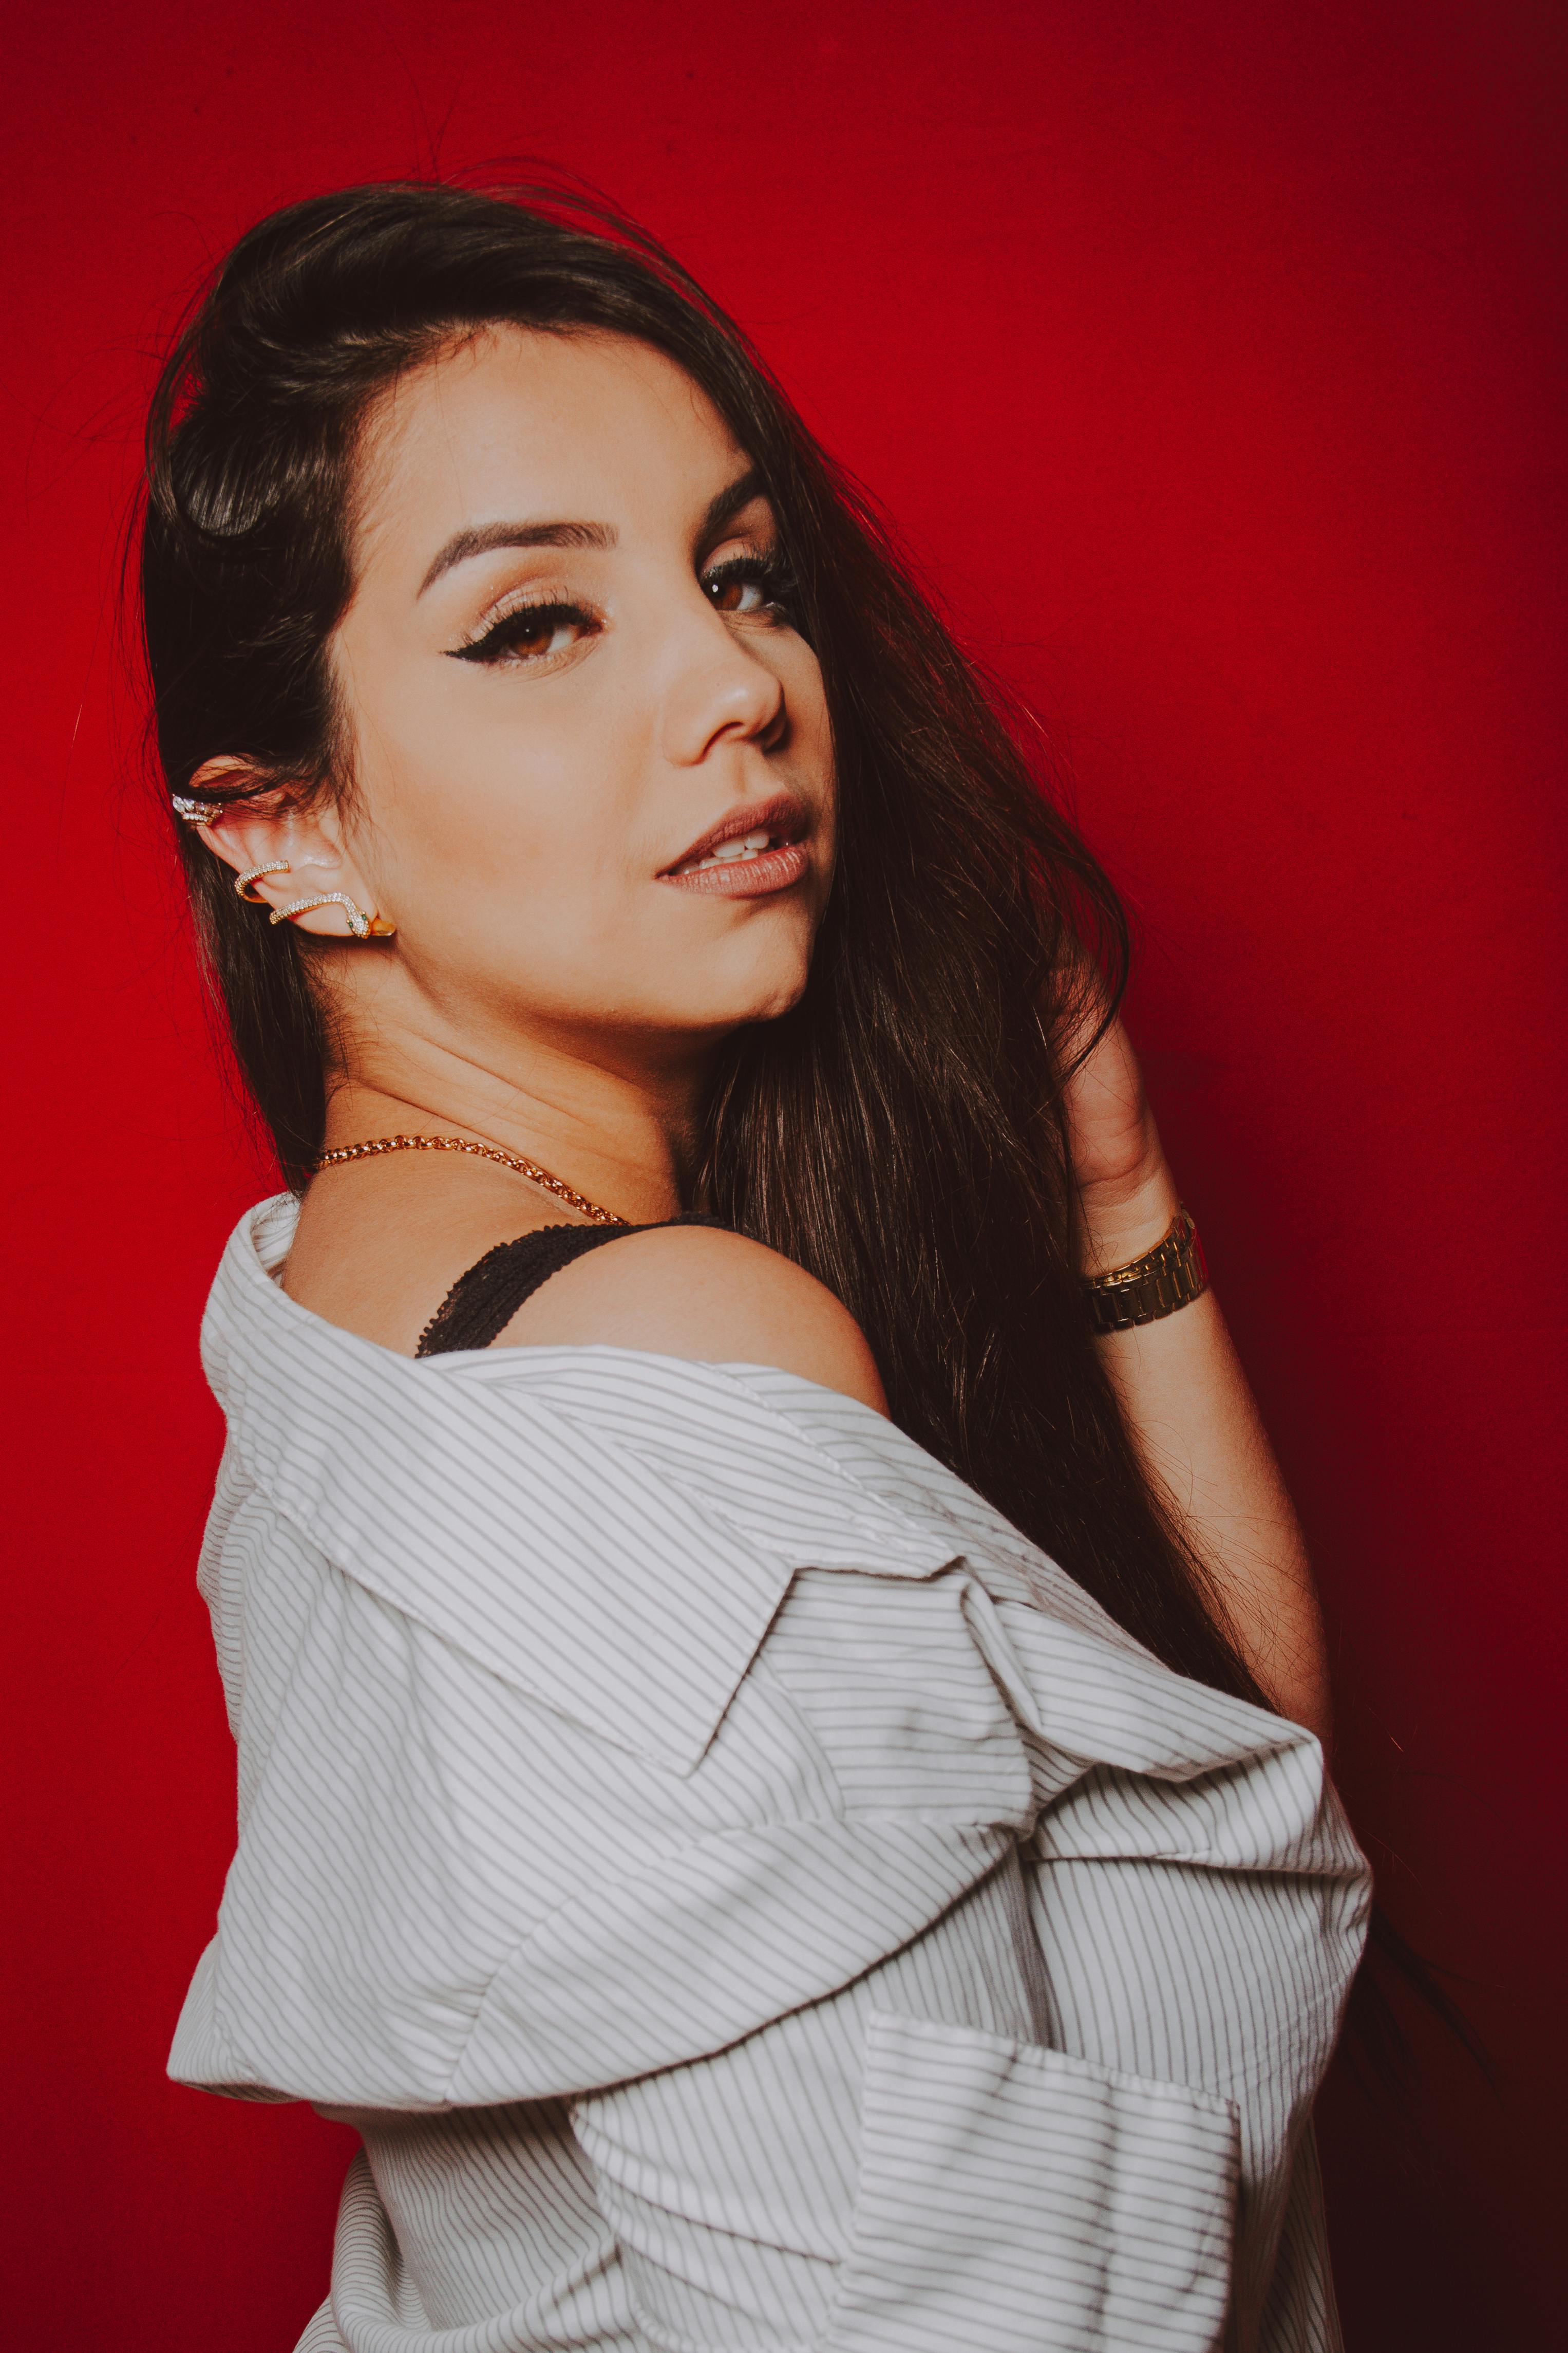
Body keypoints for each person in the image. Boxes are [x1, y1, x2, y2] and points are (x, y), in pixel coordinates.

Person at [144, 180, 1368, 2352]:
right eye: (535, 622)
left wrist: (1112, 1200)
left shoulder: (323, 1291)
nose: (737, 678)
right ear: (283, 825)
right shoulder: (666, 1356)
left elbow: (1209, 1816)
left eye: (740, 574)